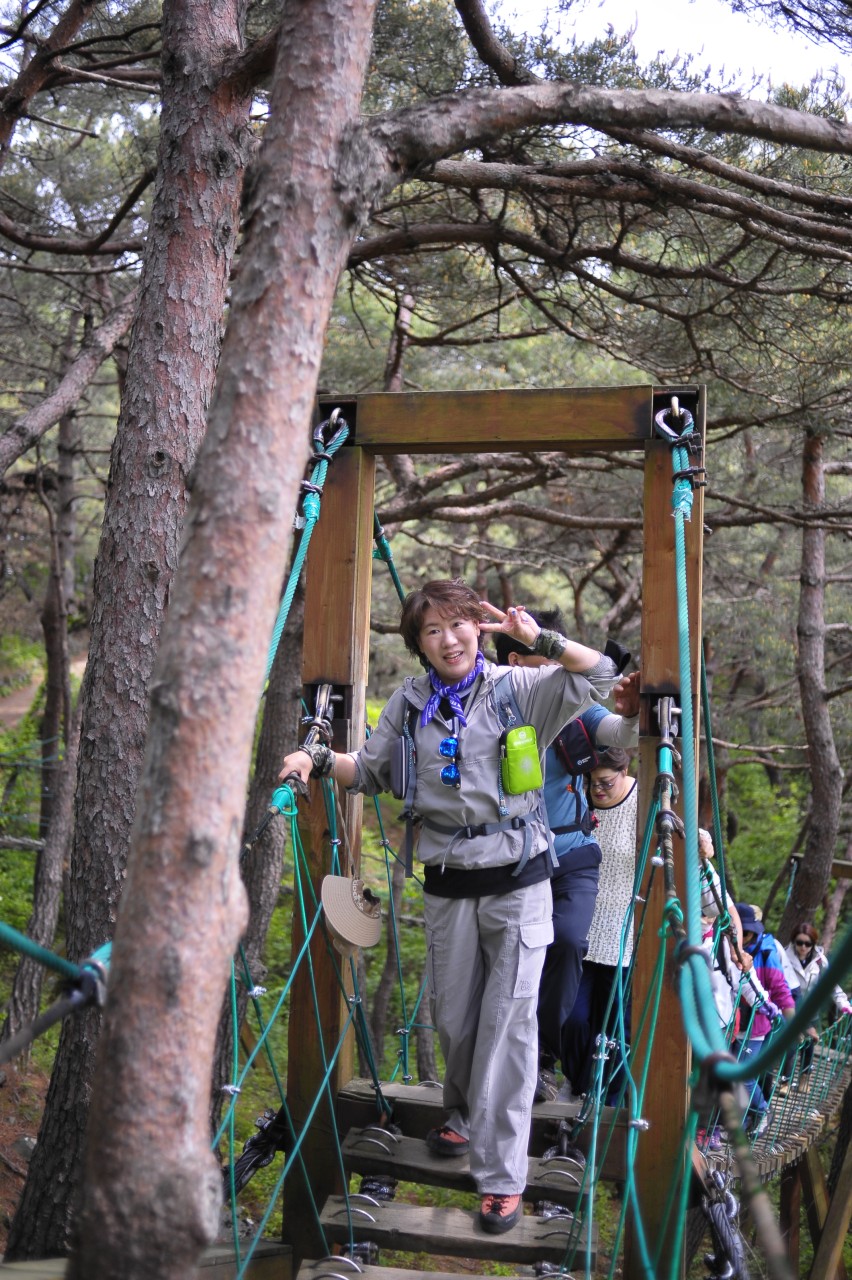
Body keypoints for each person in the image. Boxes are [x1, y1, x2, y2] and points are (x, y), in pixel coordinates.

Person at [278, 580, 620, 1235]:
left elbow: (600, 675)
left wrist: (540, 640)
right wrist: (315, 759)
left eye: (458, 624)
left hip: (519, 880)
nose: (448, 639)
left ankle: (502, 1177)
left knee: (509, 1029)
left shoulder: (519, 688)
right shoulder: (409, 704)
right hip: (447, 884)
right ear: (418, 644)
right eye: (432, 630)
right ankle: (463, 1115)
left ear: (478, 630)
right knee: (457, 1023)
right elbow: (370, 771)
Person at [492, 610, 639, 1103]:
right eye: (548, 654)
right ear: (517, 662)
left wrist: (633, 714)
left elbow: (622, 735)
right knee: (512, 957)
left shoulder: (575, 708)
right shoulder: (486, 712)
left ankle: (543, 1058)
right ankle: (512, 1060)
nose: (562, 666)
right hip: (512, 857)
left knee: (569, 939)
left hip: (572, 854)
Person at [560, 748, 638, 1103]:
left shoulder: (643, 800)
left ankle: (607, 1101)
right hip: (581, 930)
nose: (597, 790)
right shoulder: (579, 799)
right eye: (591, 782)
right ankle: (579, 1087)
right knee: (573, 1019)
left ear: (625, 772)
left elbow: (674, 831)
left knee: (615, 1028)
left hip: (625, 936)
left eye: (605, 782)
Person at [733, 903, 795, 1134]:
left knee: (744, 1075)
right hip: (731, 1022)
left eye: (745, 932)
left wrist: (794, 1024)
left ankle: (762, 1111)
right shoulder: (728, 947)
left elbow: (780, 990)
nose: (742, 936)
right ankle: (739, 1119)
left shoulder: (766, 952)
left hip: (755, 1024)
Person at [784, 922, 852, 1076]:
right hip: (789, 1008)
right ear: (794, 941)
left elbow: (831, 985)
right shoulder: (784, 957)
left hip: (810, 1010)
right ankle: (785, 1080)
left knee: (808, 1045)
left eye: (807, 944)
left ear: (813, 944)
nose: (803, 947)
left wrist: (843, 1004)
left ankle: (804, 1078)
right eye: (799, 942)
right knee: (791, 1044)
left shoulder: (820, 961)